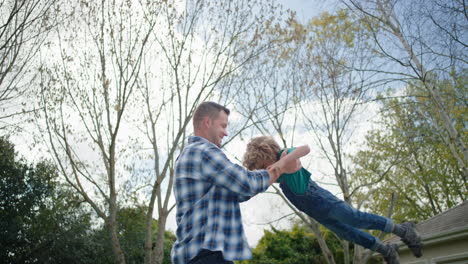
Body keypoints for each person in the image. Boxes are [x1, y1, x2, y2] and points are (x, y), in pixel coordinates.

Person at [242, 136, 423, 264]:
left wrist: (280, 164)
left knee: (355, 218)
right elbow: (258, 187)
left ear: (268, 156)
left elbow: (304, 149)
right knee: (347, 233)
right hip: (317, 212)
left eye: (265, 168)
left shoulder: (285, 157)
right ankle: (386, 250)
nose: (268, 173)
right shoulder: (278, 177)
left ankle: (403, 230)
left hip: (324, 201)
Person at [171, 102, 305, 264]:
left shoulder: (191, 155)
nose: (226, 133)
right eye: (223, 126)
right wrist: (281, 167)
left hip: (201, 256)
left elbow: (238, 192)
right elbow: (245, 183)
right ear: (207, 122)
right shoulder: (201, 151)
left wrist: (270, 173)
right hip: (206, 256)